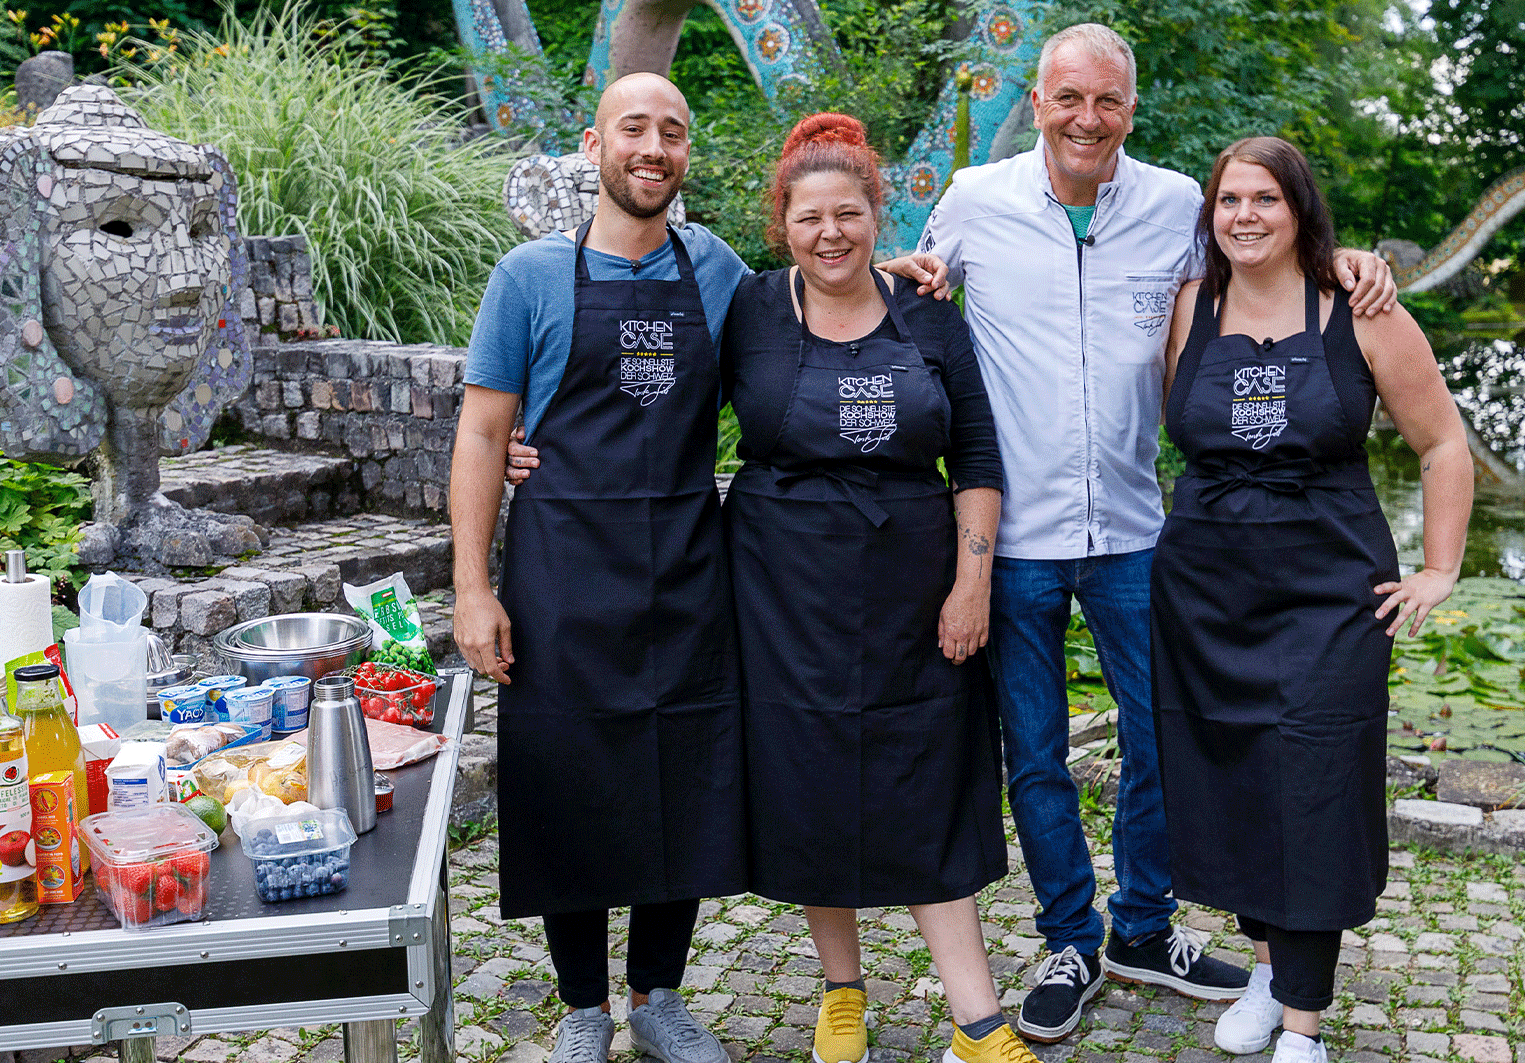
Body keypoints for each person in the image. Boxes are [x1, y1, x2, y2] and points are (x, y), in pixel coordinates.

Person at [914, 23, 1399, 1042]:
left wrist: (1351, 261)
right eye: (1068, 98)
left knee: (1167, 741)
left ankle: (1144, 924)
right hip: (1017, 534)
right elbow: (903, 303)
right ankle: (1066, 938)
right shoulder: (972, 200)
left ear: (1132, 109)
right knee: (1034, 749)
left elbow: (1260, 267)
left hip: (1143, 532)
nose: (1086, 118)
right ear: (1038, 102)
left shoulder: (1182, 203)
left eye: (1108, 101)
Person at [451, 75, 947, 1063]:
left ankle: (659, 996)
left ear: (684, 156)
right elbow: (480, 431)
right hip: (561, 570)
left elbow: (811, 297)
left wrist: (887, 268)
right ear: (594, 144)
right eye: (635, 128)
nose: (654, 147)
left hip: (687, 564)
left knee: (682, 773)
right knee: (571, 778)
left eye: (672, 133)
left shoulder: (714, 270)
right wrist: (472, 587)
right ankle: (584, 1006)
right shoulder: (530, 278)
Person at [1151, 136, 1472, 1063]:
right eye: (1228, 200)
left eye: (1265, 200)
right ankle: (1266, 971)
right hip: (1207, 589)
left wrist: (1440, 568)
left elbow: (1443, 445)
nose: (1244, 215)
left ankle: (1305, 1025)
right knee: (1234, 782)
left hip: (1330, 589)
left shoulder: (1360, 308)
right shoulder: (1188, 308)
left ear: (1299, 211)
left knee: (1315, 789)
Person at [721, 112, 1033, 1063]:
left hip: (916, 582)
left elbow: (978, 457)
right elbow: (648, 407)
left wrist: (969, 584)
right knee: (810, 780)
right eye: (810, 217)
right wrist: (536, 450)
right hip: (782, 587)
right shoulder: (749, 311)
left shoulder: (930, 314)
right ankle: (842, 994)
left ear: (874, 216)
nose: (830, 234)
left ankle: (976, 1021)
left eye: (848, 214)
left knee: (929, 777)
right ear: (784, 222)